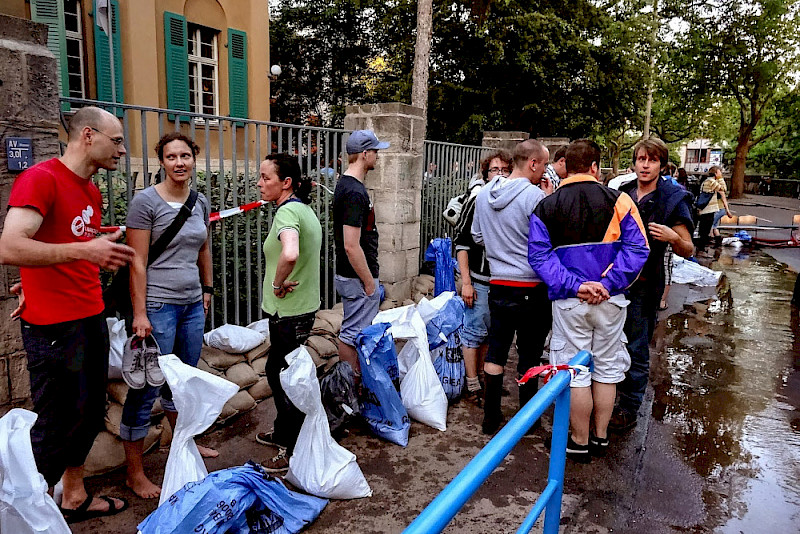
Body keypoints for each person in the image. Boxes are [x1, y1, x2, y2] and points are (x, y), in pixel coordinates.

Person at [0, 106, 135, 521]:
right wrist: (85, 249)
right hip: (53, 327)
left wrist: (98, 239)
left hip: (88, 315)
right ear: (88, 136)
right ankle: (25, 514)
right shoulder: (40, 179)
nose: (124, 150)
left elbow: (60, 240)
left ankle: (72, 496)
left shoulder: (90, 190)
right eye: (117, 141)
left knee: (89, 413)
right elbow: (9, 247)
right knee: (56, 424)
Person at [527, 139, 649, 462]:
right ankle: (601, 436)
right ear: (596, 167)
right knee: (607, 369)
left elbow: (539, 257)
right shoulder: (621, 201)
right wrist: (608, 284)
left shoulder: (546, 206)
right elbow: (639, 249)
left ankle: (578, 441)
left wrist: (576, 286)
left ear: (566, 164)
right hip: (611, 301)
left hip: (570, 302)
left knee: (575, 370)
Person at [120, 132, 214, 499]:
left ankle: (185, 443)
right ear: (161, 161)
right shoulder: (145, 203)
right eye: (172, 156)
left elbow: (203, 246)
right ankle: (135, 473)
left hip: (192, 304)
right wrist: (139, 313)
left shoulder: (200, 201)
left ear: (194, 159)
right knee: (146, 389)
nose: (179, 162)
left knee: (185, 381)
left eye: (185, 156)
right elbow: (136, 262)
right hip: (157, 306)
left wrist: (207, 289)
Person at [610, 138, 695, 433]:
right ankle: (609, 397)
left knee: (636, 346)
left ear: (662, 164)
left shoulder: (673, 198)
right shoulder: (623, 192)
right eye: (641, 159)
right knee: (609, 343)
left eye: (652, 160)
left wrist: (673, 237)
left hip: (646, 284)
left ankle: (628, 407)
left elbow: (688, 248)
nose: (645, 165)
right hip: (616, 280)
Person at [471, 139, 551, 435]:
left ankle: (491, 418)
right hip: (532, 285)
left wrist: (499, 245)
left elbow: (477, 236)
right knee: (529, 356)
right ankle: (527, 420)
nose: (544, 170)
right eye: (543, 164)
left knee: (496, 352)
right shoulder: (535, 197)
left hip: (498, 285)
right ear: (532, 163)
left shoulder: (482, 195)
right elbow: (546, 241)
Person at [254, 153, 322, 474]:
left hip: (288, 312)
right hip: (302, 310)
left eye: (266, 178)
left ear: (286, 183)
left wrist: (277, 283)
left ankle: (290, 450)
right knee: (282, 371)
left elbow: (290, 252)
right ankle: (284, 433)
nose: (259, 183)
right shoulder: (304, 210)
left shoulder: (287, 213)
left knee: (284, 378)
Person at [453, 149, 513, 405]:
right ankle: (473, 384)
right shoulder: (478, 200)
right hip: (479, 281)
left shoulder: (512, 201)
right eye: (494, 170)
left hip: (502, 283)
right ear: (485, 174)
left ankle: (488, 381)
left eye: (504, 170)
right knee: (473, 333)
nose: (499, 175)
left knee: (491, 334)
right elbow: (462, 243)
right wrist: (466, 282)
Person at [333, 130, 389, 384]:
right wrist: (369, 282)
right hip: (357, 278)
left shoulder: (347, 185)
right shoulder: (355, 192)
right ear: (365, 154)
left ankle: (352, 388)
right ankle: (349, 390)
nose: (378, 156)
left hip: (352, 276)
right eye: (376, 151)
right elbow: (351, 246)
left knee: (354, 331)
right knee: (351, 334)